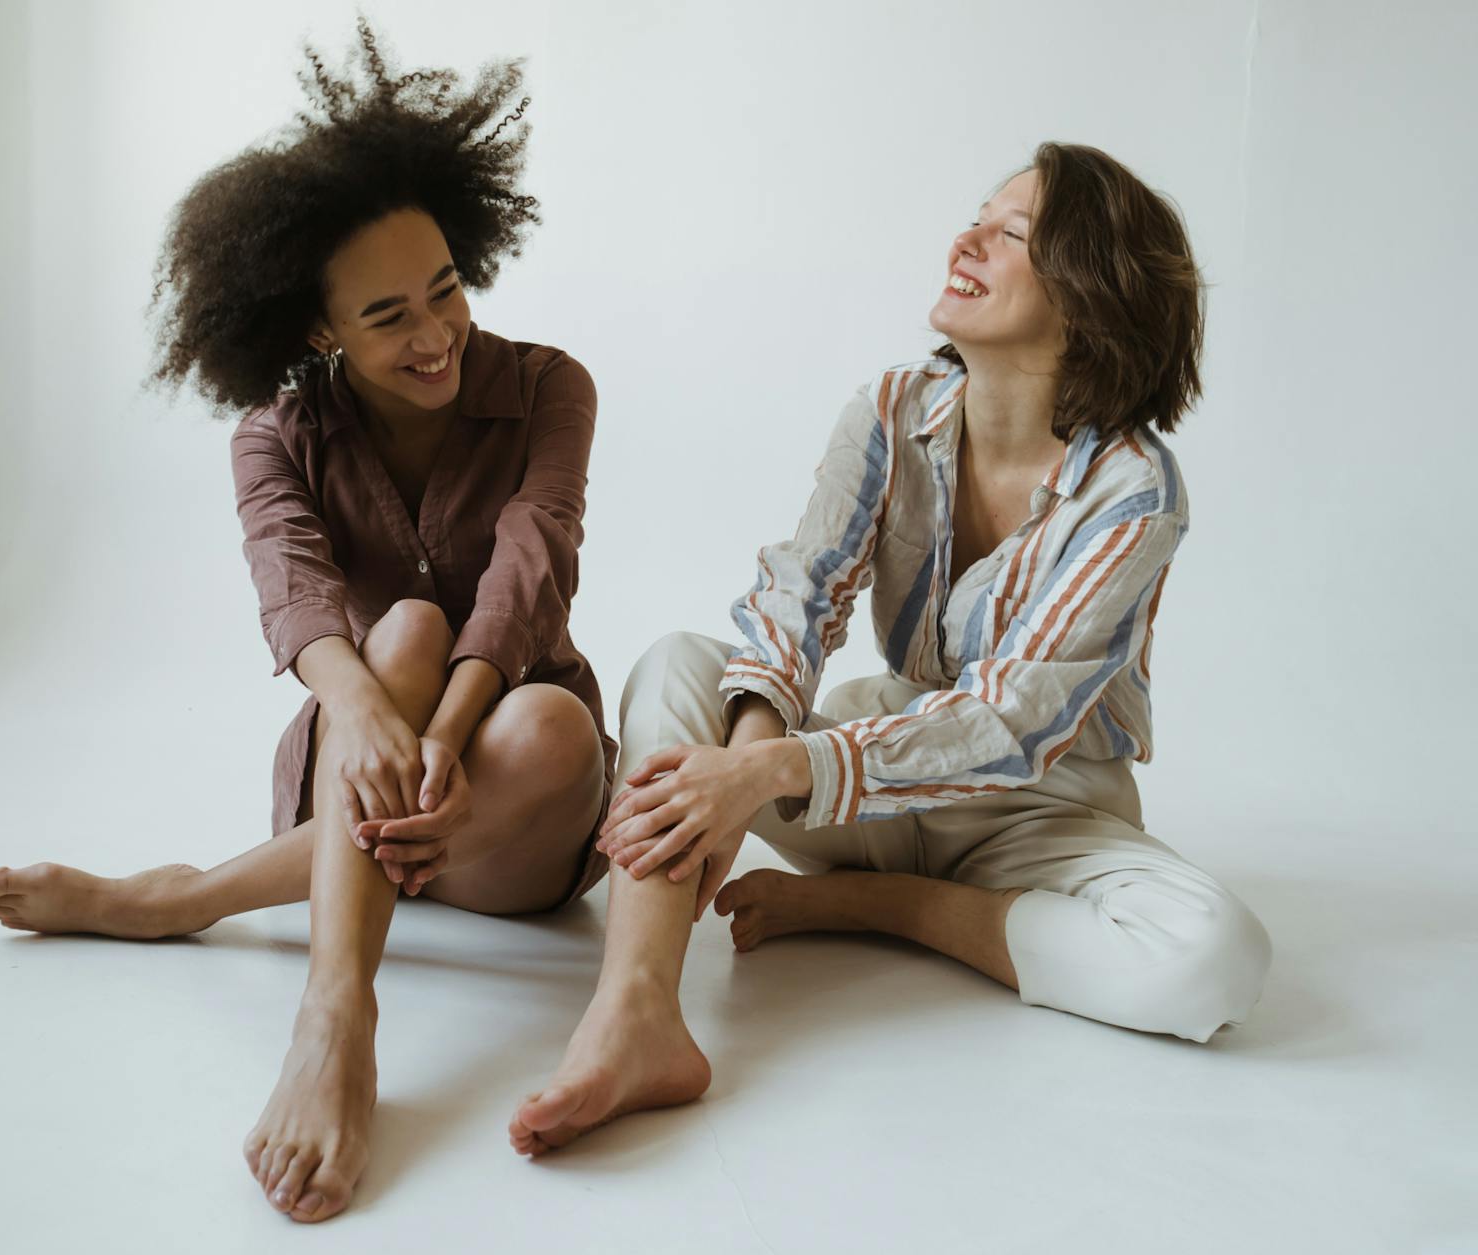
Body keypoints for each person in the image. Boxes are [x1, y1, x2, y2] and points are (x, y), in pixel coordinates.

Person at [0, 24, 615, 1222]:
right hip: (353, 772)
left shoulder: (546, 387)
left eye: (446, 289)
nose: (435, 336)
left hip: (511, 811)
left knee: (557, 731)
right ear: (319, 330)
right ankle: (336, 1014)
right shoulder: (274, 435)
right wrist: (366, 709)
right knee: (401, 634)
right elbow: (295, 591)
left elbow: (533, 569)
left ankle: (184, 897)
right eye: (387, 316)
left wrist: (445, 733)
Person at [508, 142, 1273, 1158]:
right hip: (874, 777)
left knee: (1214, 957)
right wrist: (745, 764)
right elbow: (801, 595)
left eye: (1011, 233)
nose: (967, 240)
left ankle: (888, 910)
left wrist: (771, 773)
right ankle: (637, 1011)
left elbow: (1010, 723)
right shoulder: (892, 407)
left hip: (1040, 810)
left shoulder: (1133, 489)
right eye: (977, 216)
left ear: (1091, 295)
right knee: (678, 664)